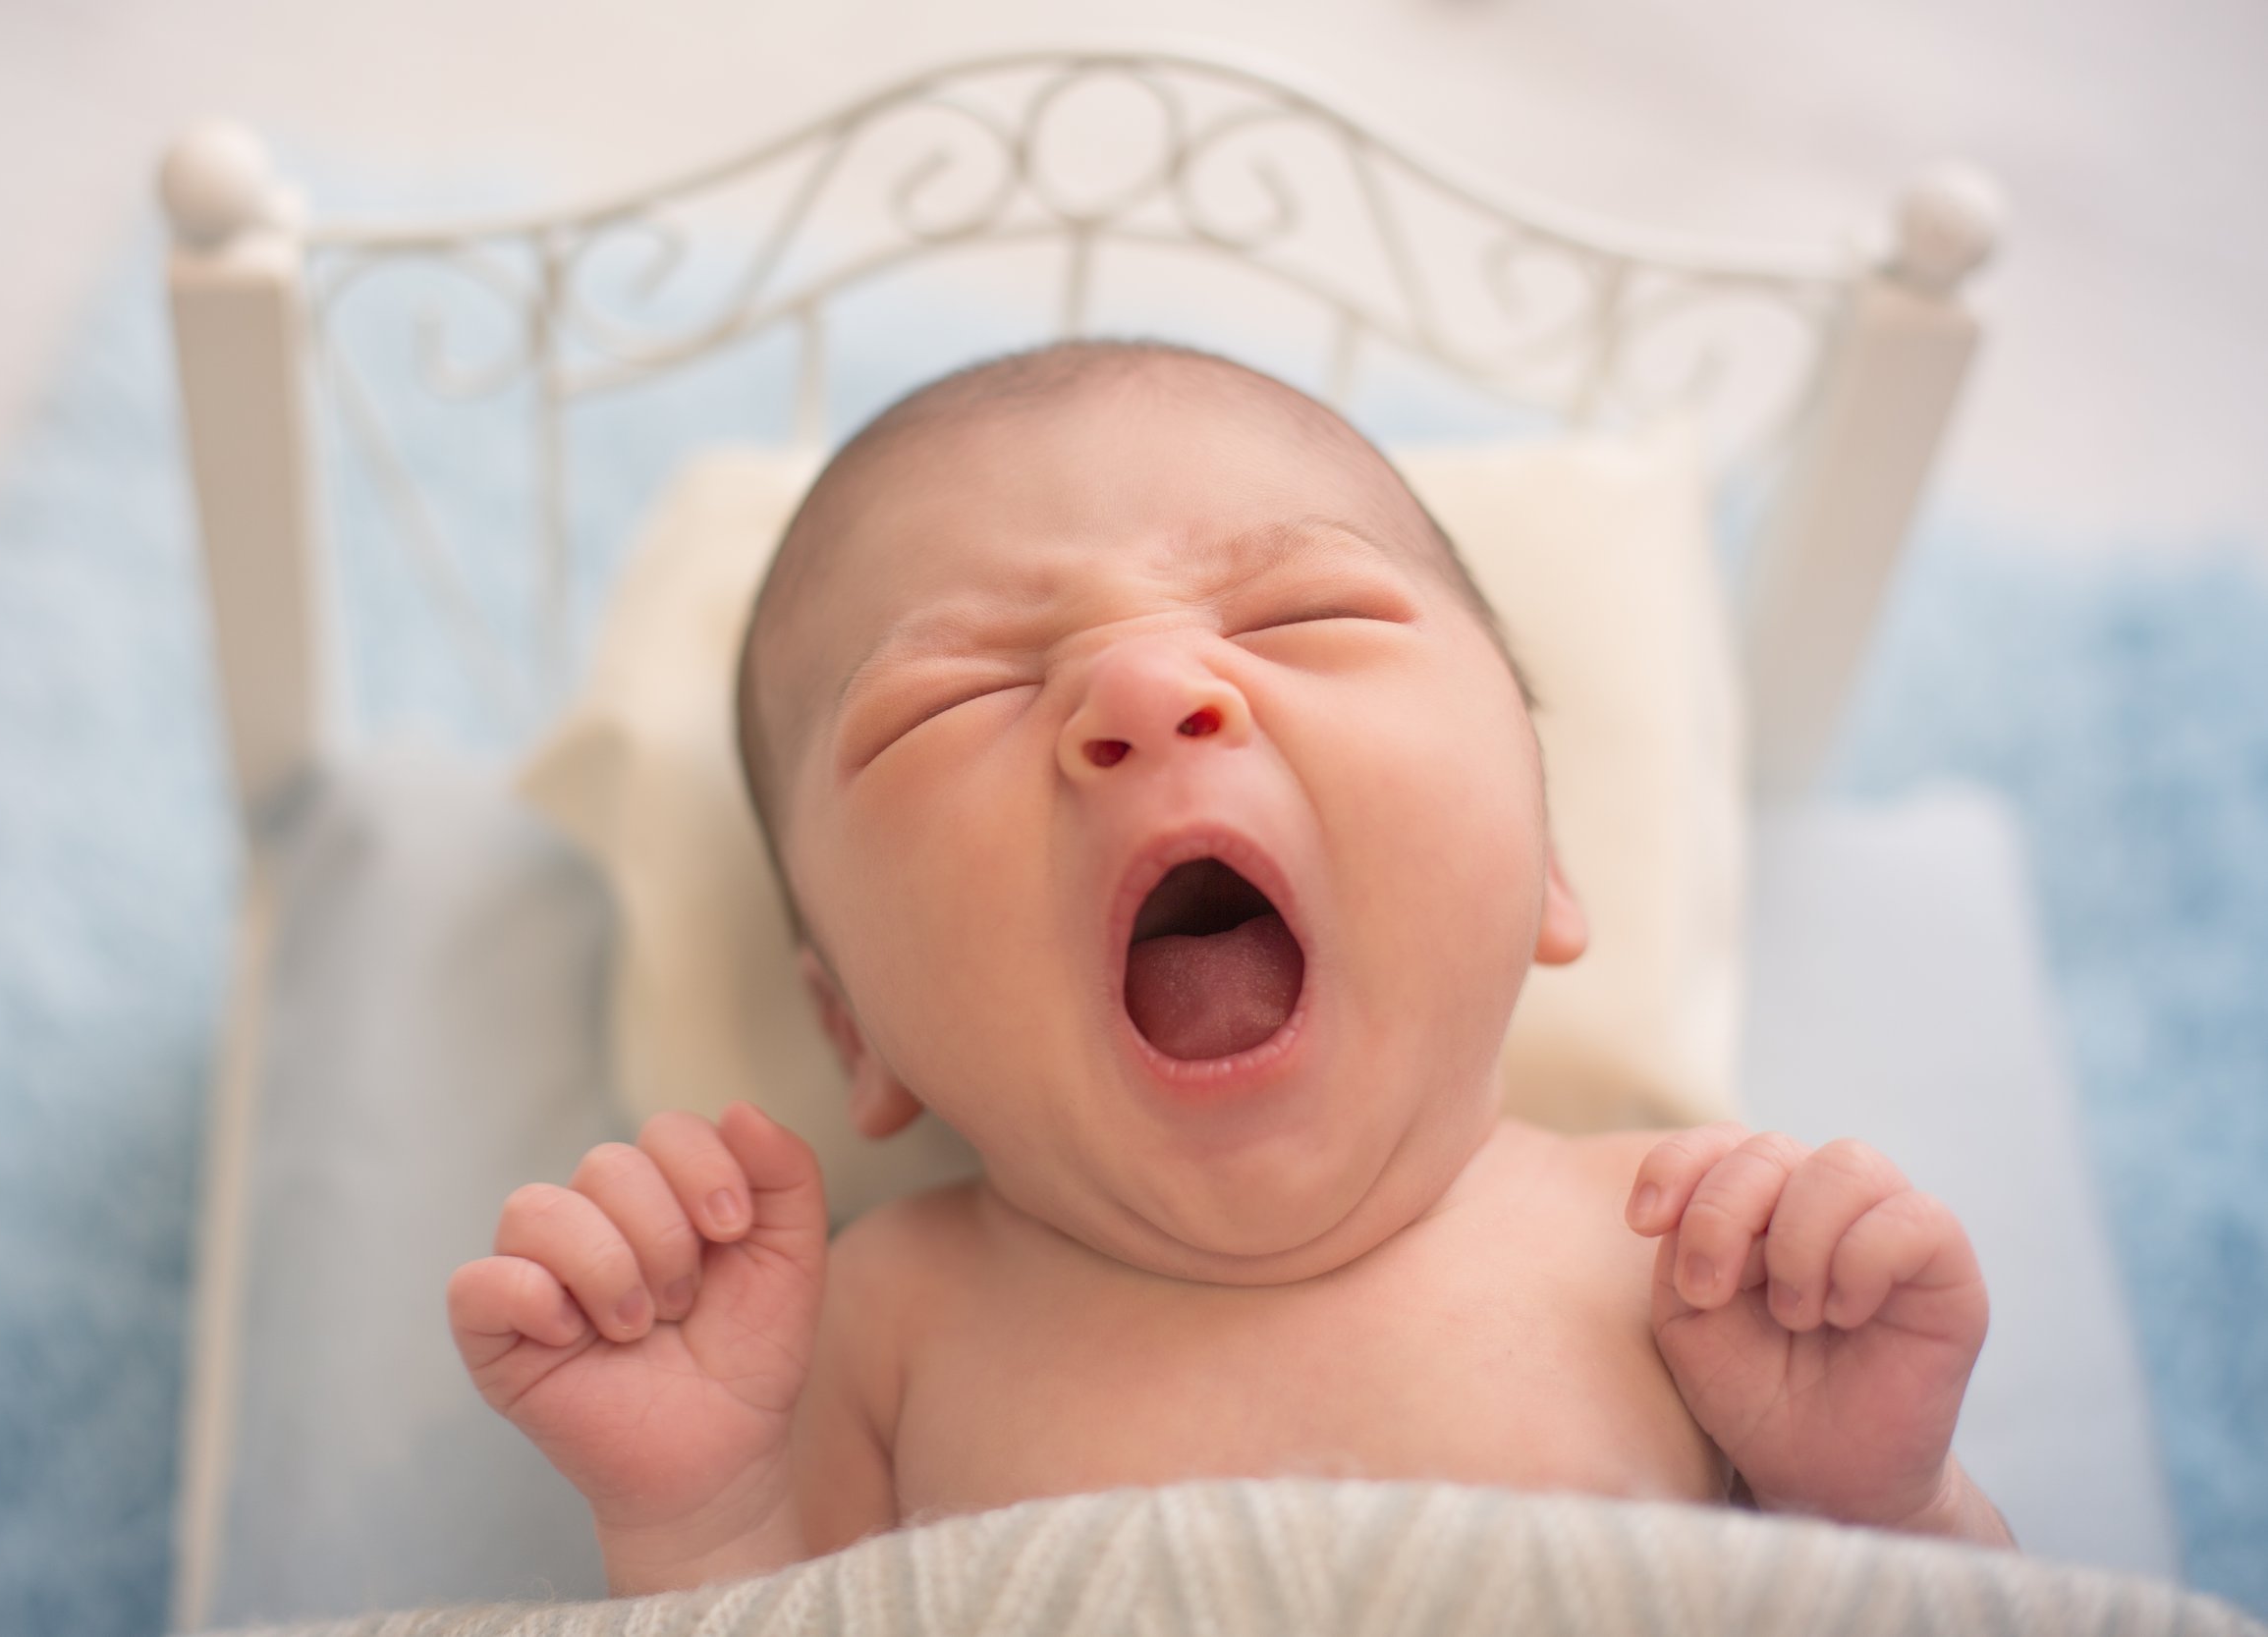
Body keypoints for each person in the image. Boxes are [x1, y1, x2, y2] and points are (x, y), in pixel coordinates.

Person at [447, 340, 2013, 1596]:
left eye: (1303, 614)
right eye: (951, 698)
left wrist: (1884, 1509)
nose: (1145, 684)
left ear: (1546, 866)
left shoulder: (1689, 1256)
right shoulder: (877, 1332)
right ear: (854, 1027)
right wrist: (702, 1529)